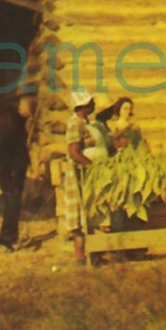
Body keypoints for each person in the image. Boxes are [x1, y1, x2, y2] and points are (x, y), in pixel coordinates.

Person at [64, 90, 97, 265]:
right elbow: (74, 152)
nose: (94, 105)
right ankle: (80, 257)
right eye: (91, 103)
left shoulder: (86, 123)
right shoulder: (75, 124)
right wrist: (93, 166)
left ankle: (95, 251)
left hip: (88, 174)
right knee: (78, 215)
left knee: (91, 212)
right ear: (82, 107)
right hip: (79, 173)